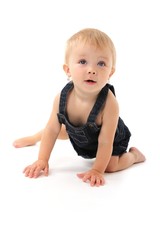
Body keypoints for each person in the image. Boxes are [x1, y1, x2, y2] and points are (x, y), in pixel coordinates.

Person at [13, 28, 146, 187]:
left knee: (110, 167)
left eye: (101, 63)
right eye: (83, 62)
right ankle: (35, 138)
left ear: (110, 72)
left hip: (111, 139)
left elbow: (105, 142)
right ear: (68, 70)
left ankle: (134, 156)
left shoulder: (109, 104)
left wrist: (97, 169)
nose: (92, 70)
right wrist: (42, 159)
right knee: (61, 129)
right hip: (81, 135)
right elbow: (52, 129)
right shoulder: (61, 98)